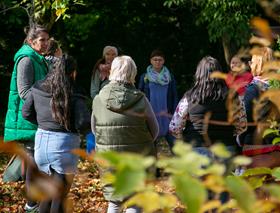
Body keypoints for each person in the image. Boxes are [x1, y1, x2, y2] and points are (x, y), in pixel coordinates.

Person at [22, 54, 91, 212]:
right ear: (72, 72)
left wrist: (42, 123)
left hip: (41, 144)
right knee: (59, 197)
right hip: (64, 146)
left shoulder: (38, 86)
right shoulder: (74, 91)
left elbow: (26, 112)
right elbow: (82, 122)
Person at [92, 55, 158, 213]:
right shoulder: (141, 99)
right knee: (135, 200)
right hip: (138, 158)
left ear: (112, 71)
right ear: (133, 73)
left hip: (109, 158)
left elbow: (95, 130)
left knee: (114, 201)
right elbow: (155, 131)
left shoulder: (99, 99)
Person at [3, 24, 49, 211]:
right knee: (33, 163)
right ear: (31, 41)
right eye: (42, 40)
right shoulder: (27, 60)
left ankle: (34, 201)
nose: (46, 43)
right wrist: (45, 102)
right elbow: (24, 92)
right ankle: (31, 204)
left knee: (35, 162)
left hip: (35, 117)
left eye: (48, 39)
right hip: (27, 119)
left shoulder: (38, 58)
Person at [169, 56, 237, 153]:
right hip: (226, 147)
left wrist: (184, 139)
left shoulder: (188, 97)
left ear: (199, 74)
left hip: (198, 149)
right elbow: (241, 125)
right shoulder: (232, 96)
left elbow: (174, 127)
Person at [239, 47, 280, 168]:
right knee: (274, 186)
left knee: (254, 186)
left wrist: (240, 139)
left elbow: (247, 122)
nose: (250, 64)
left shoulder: (252, 90)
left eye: (252, 62)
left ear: (258, 64)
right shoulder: (279, 89)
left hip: (257, 148)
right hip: (277, 148)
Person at [138, 49, 178, 154]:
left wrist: (174, 114)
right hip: (151, 115)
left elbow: (174, 95)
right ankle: (154, 169)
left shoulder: (170, 77)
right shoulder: (144, 77)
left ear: (163, 61)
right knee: (151, 146)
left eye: (160, 60)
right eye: (155, 60)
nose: (157, 62)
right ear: (151, 61)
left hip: (167, 115)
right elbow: (139, 96)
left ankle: (179, 168)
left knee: (175, 145)